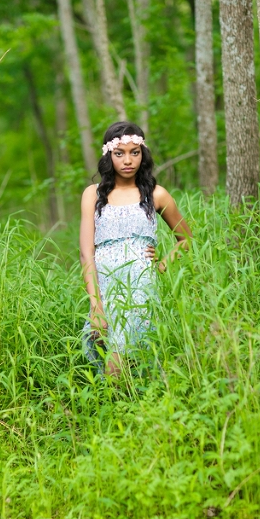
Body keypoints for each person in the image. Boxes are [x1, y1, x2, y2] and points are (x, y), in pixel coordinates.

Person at [79, 121, 191, 377]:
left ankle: (124, 409)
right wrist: (96, 305)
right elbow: (86, 253)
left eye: (135, 152)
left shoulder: (156, 194)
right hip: (106, 290)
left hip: (141, 288)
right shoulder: (93, 194)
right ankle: (126, 409)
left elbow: (186, 239)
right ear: (109, 156)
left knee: (118, 365)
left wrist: (162, 265)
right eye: (120, 154)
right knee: (110, 356)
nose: (128, 160)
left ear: (143, 153)